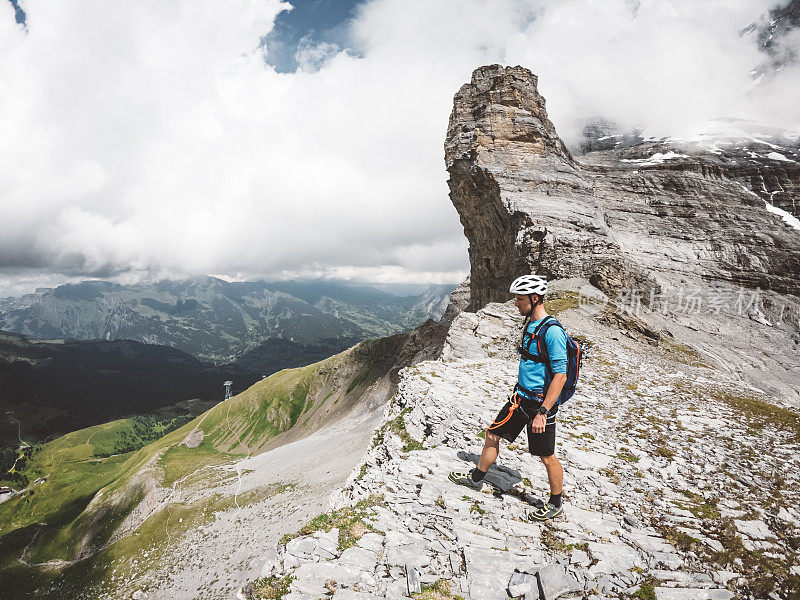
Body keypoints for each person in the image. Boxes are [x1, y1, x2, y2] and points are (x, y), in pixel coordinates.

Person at [448, 275, 568, 522]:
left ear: (535, 299)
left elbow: (560, 376)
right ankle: (476, 480)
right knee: (492, 435)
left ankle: (555, 503)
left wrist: (543, 412)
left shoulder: (553, 332)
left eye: (520, 299)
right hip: (519, 399)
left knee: (546, 455)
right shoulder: (531, 325)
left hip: (539, 405)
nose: (515, 303)